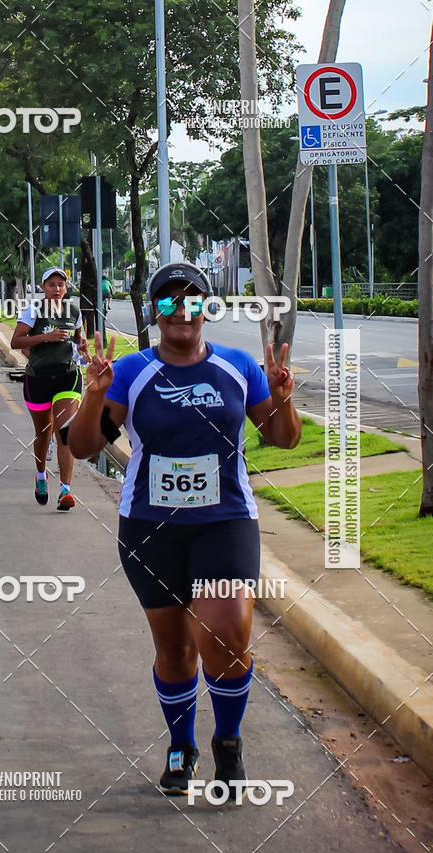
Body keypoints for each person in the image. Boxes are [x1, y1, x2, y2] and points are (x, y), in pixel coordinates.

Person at [67, 262, 302, 799]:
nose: (180, 309)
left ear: (206, 309)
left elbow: (282, 439)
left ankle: (229, 742)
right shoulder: (130, 370)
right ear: (154, 311)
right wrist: (94, 394)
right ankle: (180, 745)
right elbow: (83, 447)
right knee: (174, 648)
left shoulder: (239, 366)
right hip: (151, 529)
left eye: (191, 299)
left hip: (224, 522)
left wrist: (283, 395)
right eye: (168, 301)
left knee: (225, 633)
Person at [10, 266, 90, 510]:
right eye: (52, 285)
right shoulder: (33, 310)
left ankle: (66, 490)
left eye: (61, 285)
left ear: (66, 288)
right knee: (44, 433)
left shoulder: (73, 311)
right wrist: (45, 337)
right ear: (43, 288)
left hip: (68, 375)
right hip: (38, 378)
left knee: (64, 431)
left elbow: (79, 340)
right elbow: (16, 342)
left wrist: (84, 347)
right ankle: (41, 475)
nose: (56, 289)